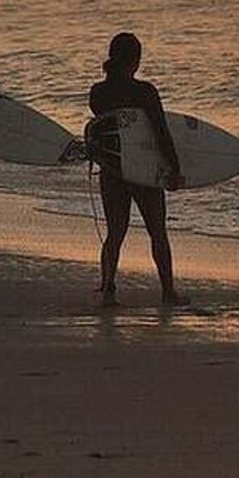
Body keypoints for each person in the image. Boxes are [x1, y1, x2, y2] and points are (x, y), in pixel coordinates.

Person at [89, 31, 189, 307]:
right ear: (135, 61)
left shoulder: (97, 93)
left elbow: (101, 133)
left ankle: (108, 291)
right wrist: (174, 168)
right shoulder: (144, 92)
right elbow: (159, 132)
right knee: (157, 232)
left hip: (113, 170)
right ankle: (168, 292)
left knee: (115, 233)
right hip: (144, 172)